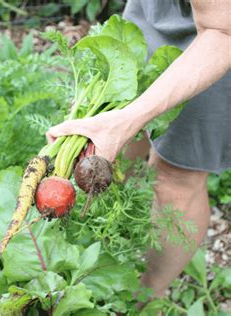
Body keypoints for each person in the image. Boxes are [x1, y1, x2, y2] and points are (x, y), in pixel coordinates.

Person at [46, 0, 230, 301]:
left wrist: (126, 120)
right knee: (125, 128)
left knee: (175, 176)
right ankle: (103, 243)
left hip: (219, 36)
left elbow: (222, 30)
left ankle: (144, 296)